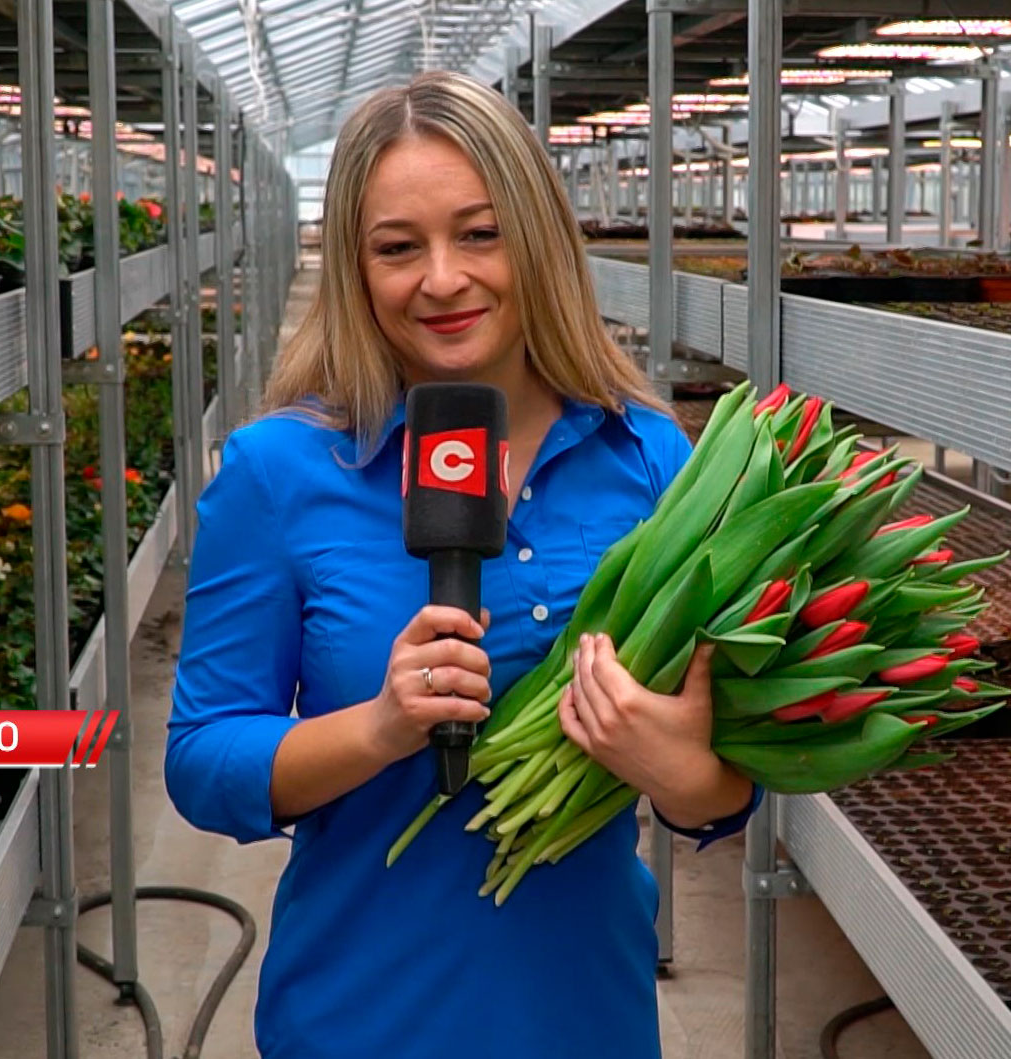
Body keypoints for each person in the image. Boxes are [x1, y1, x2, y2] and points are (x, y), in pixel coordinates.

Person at [163, 70, 761, 1059]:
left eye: (478, 234)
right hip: (358, 1018)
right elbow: (201, 760)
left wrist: (678, 771)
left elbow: (724, 790)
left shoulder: (649, 460)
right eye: (398, 248)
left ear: (534, 238)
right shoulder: (278, 473)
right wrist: (379, 728)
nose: (441, 279)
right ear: (356, 270)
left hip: (585, 1016)